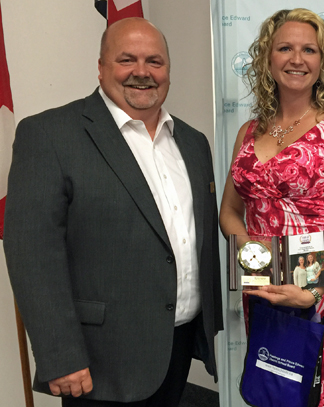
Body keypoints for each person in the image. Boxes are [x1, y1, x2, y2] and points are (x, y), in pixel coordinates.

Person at [4, 18, 223, 407]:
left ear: (168, 71)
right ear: (101, 67)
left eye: (154, 61)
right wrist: (60, 356)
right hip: (99, 361)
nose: (142, 72)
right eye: (127, 60)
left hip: (179, 344)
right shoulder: (50, 135)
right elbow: (32, 255)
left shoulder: (193, 142)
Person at [219, 8, 324, 406]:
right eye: (285, 48)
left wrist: (310, 287)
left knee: (320, 397)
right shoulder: (248, 132)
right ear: (268, 59)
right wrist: (256, 266)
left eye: (310, 50)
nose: (297, 59)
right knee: (273, 393)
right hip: (267, 291)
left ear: (323, 62)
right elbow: (229, 213)